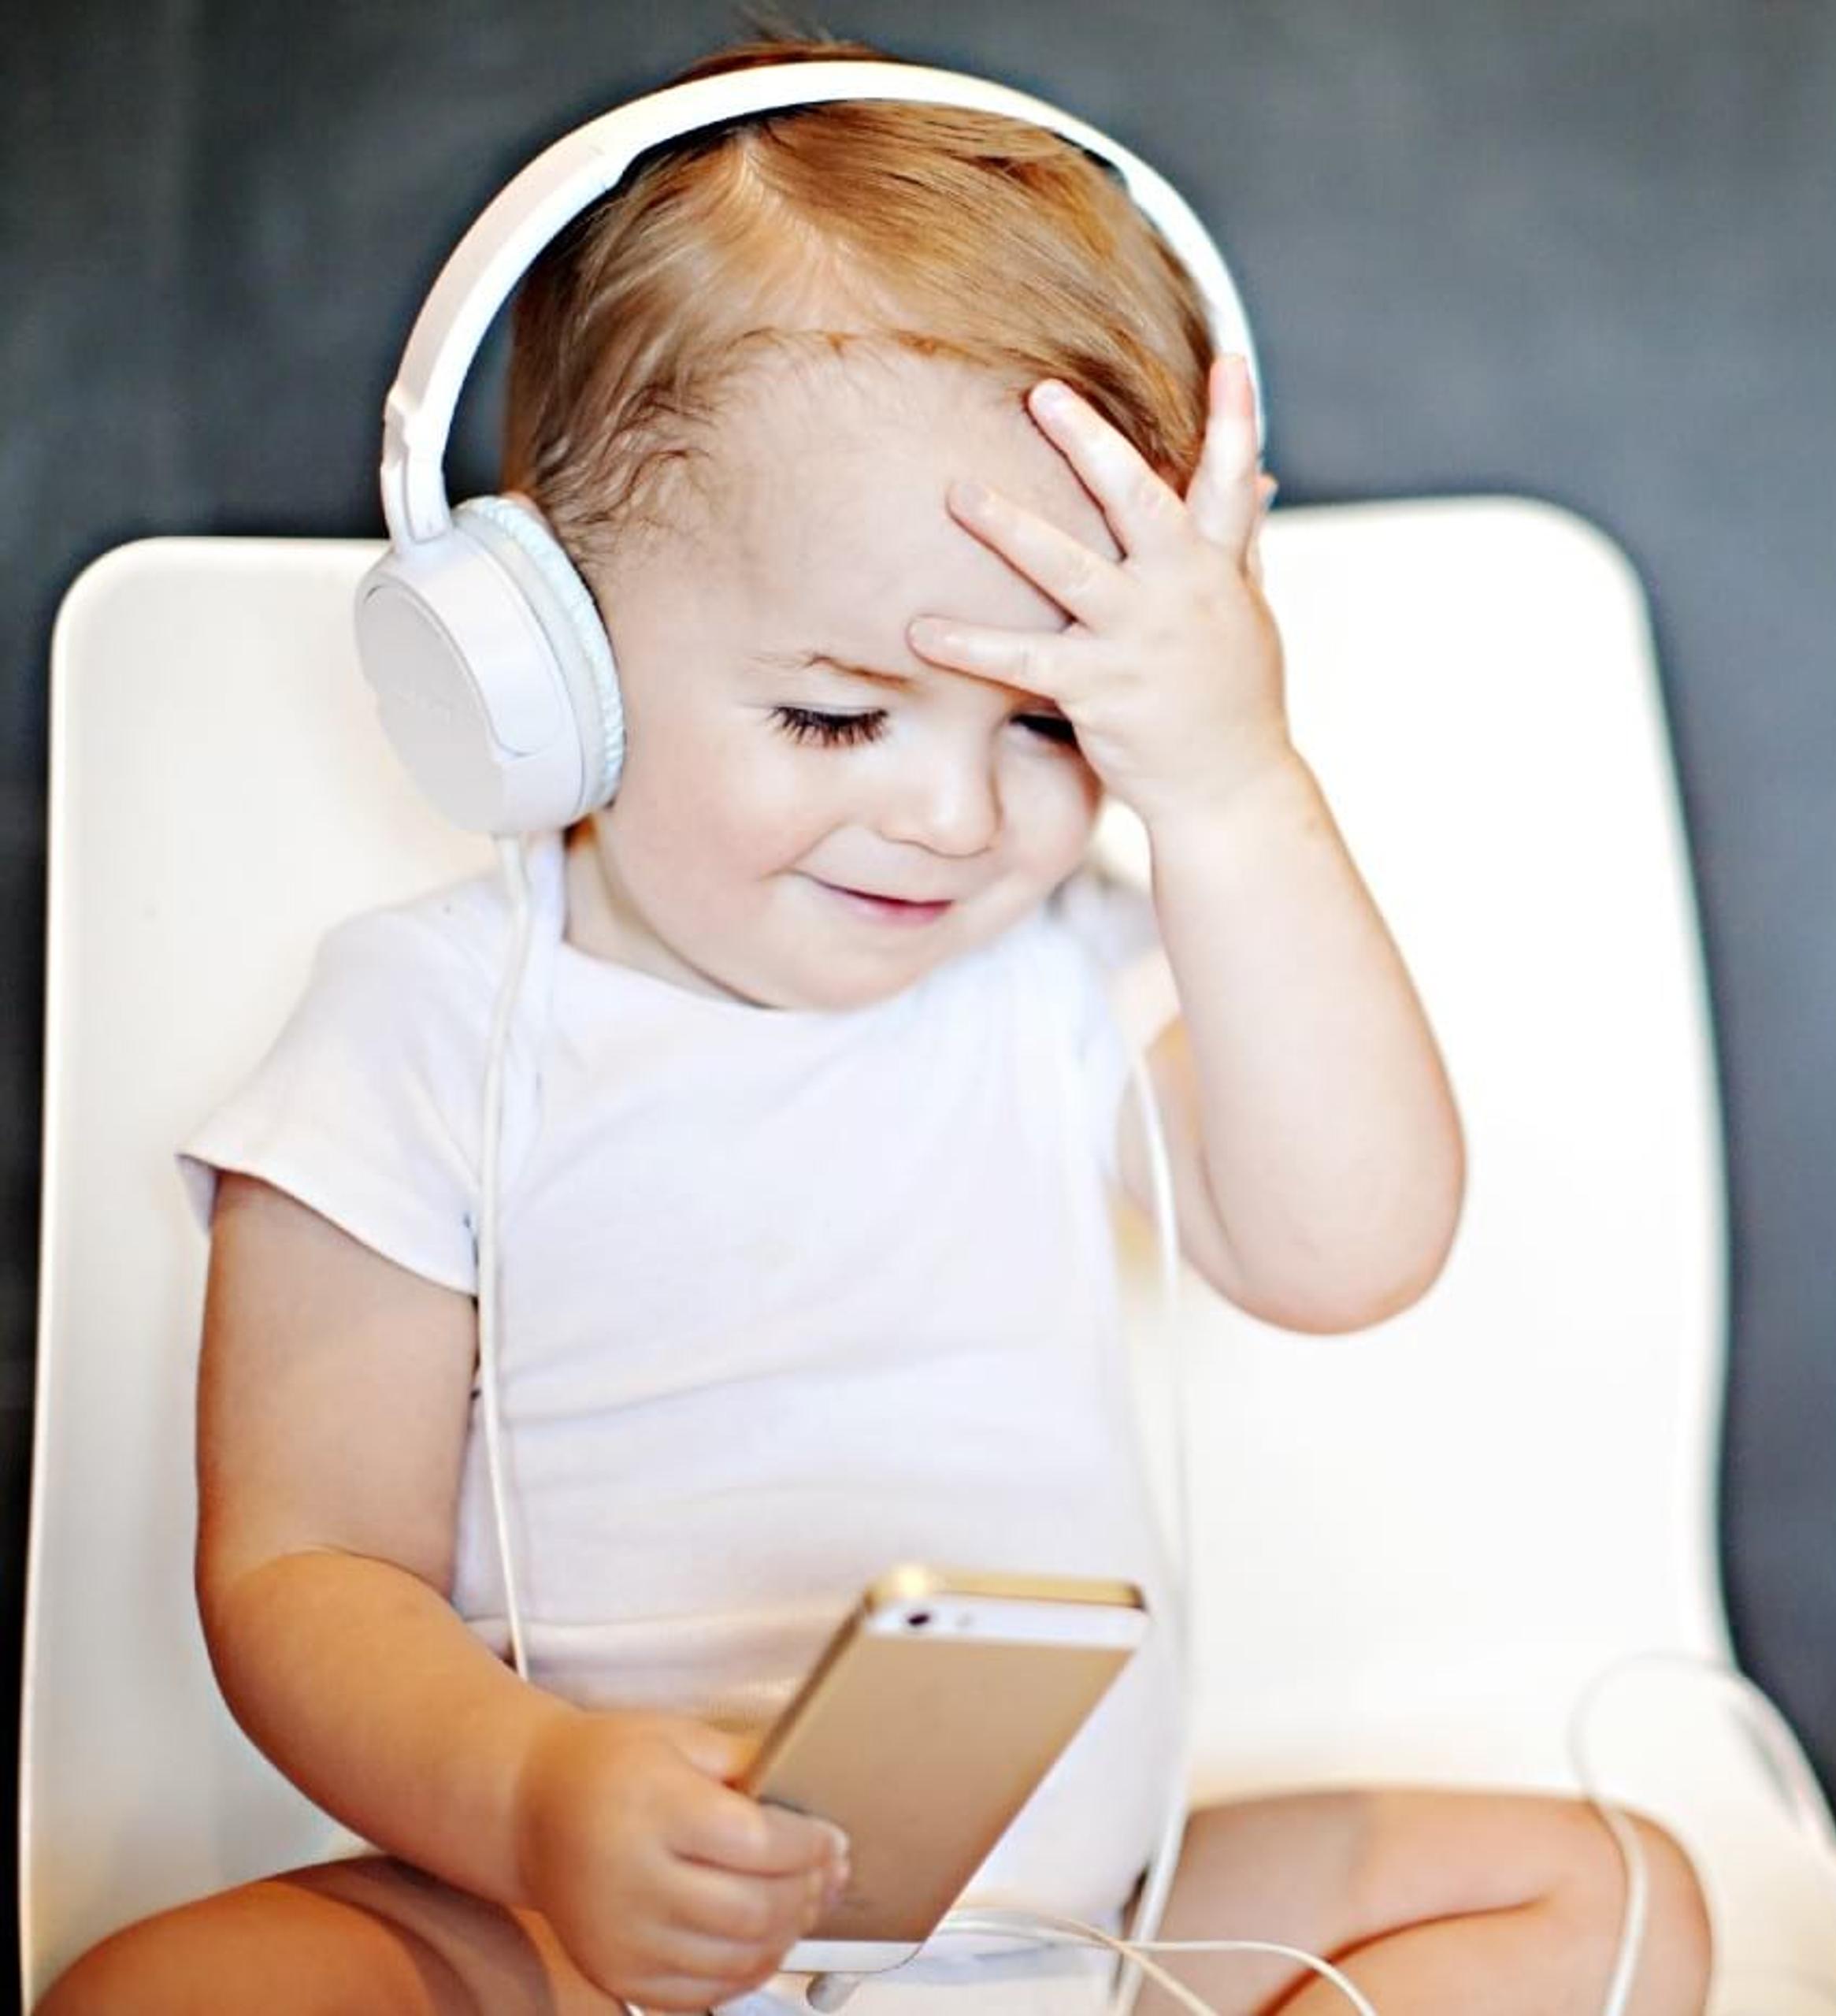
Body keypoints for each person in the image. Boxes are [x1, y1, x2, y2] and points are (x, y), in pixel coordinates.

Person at [42, 35, 1710, 2016]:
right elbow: (303, 1569)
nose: (950, 811)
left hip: (1067, 1932)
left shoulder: (1062, 975)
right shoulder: (430, 1023)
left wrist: (1231, 787)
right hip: (582, 1944)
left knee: (1598, 1895)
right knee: (181, 1993)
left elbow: (1352, 1249)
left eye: (1051, 721)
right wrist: (539, 1802)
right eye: (838, 714)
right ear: (542, 653)